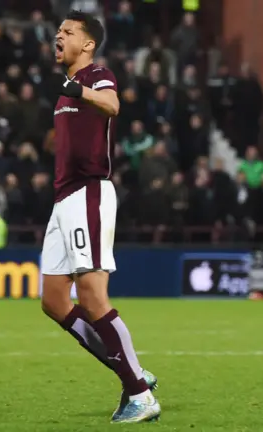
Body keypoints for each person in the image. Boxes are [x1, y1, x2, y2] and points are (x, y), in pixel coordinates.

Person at [42, 11, 161, 423]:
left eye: (68, 32)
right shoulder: (65, 91)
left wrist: (81, 91)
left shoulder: (97, 75)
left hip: (88, 192)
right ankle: (129, 371)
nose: (59, 35)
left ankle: (140, 393)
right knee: (55, 301)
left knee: (92, 296)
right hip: (63, 199)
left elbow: (112, 104)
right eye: (58, 31)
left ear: (88, 44)